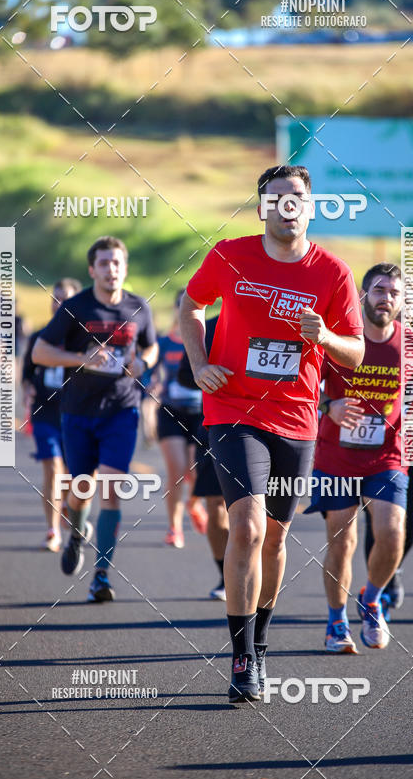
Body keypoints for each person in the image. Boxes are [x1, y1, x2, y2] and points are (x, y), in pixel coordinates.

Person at [180, 165, 364, 702]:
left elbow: (356, 351)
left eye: (297, 197)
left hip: (296, 419)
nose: (287, 206)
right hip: (233, 411)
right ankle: (240, 659)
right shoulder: (230, 255)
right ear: (262, 207)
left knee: (277, 538)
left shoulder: (332, 272)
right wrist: (198, 362)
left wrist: (326, 336)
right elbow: (190, 305)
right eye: (276, 197)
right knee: (248, 529)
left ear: (310, 206)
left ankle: (260, 645)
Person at [305, 263, 413, 652]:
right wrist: (331, 405)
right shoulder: (340, 339)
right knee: (342, 539)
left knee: (394, 532)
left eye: (394, 293)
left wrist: (410, 417)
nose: (386, 299)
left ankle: (373, 598)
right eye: (379, 291)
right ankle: (336, 621)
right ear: (363, 296)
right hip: (336, 455)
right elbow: (305, 384)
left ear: (403, 300)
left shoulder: (412, 345)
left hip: (386, 455)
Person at [32, 237, 158, 602]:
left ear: (125, 267)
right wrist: (80, 360)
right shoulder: (75, 307)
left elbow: (149, 345)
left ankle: (101, 575)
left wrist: (144, 362)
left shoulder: (139, 307)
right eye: (103, 263)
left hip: (121, 409)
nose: (111, 269)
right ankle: (75, 532)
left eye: (117, 263)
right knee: (79, 489)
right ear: (92, 270)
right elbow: (41, 352)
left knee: (112, 490)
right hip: (78, 412)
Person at [363, 337, 413, 614]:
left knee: (408, 525)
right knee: (380, 522)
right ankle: (376, 593)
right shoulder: (368, 337)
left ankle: (392, 568)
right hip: (376, 445)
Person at [22, 278, 81, 552]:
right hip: (45, 414)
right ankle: (52, 530)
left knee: (72, 475)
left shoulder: (84, 340)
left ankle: (68, 509)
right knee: (53, 469)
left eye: (65, 300)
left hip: (75, 414)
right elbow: (27, 374)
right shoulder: (40, 337)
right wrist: (27, 392)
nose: (58, 304)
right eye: (55, 298)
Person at [178, 313, 229, 600]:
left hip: (265, 427)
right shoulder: (206, 327)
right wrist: (206, 372)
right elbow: (185, 374)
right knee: (216, 507)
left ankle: (256, 568)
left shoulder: (270, 319)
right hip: (215, 425)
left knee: (258, 513)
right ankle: (225, 574)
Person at [153, 289, 208, 548]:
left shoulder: (205, 340)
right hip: (170, 411)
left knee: (194, 472)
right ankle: (174, 528)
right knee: (176, 471)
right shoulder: (164, 343)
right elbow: (149, 372)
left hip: (199, 412)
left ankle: (194, 504)